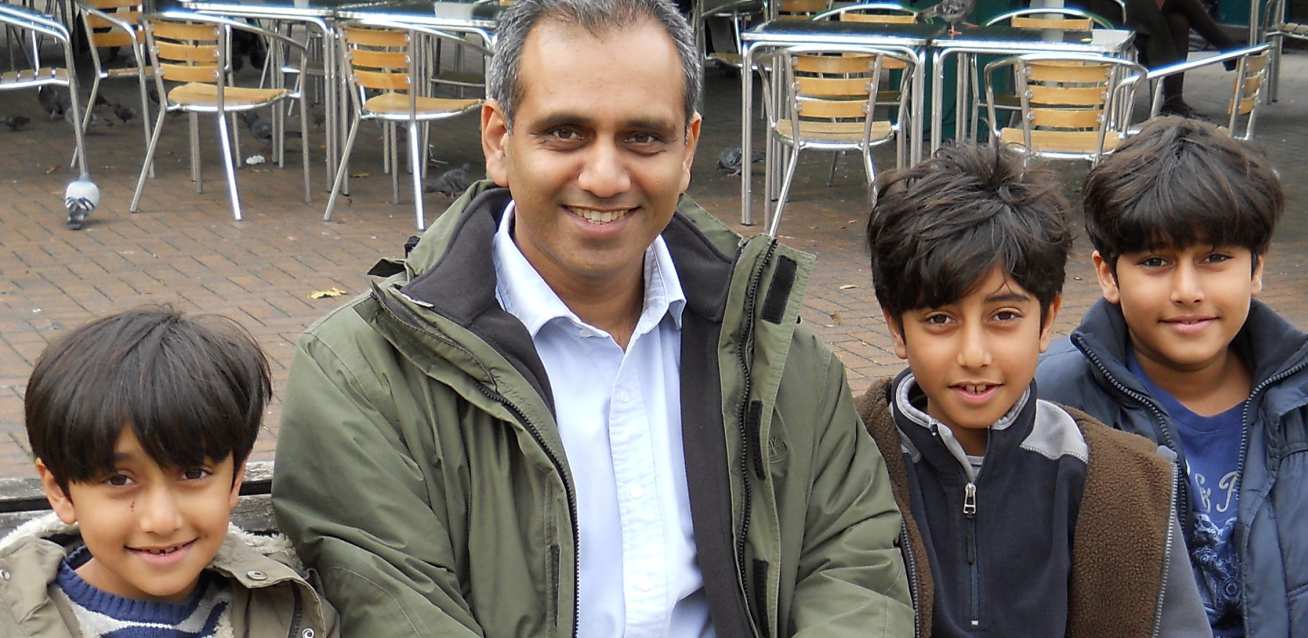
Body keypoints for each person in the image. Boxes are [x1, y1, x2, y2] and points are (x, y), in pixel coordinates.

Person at [271, 0, 915, 636]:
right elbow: (399, 614)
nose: (605, 177)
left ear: (687, 150)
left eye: (642, 137)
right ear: (499, 140)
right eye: (565, 132)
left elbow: (852, 564)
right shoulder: (364, 376)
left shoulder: (780, 360)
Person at [856, 143, 1210, 637]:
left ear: (1046, 320)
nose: (974, 353)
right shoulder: (848, 461)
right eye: (939, 319)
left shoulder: (1124, 483)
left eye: (1004, 316)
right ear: (897, 328)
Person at [1038, 117, 1300, 637]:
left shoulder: (1300, 397)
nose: (1187, 289)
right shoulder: (1051, 407)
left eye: (1216, 258)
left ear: (1256, 268)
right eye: (1156, 261)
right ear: (1108, 274)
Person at [0, 307, 337, 637]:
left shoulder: (294, 613)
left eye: (194, 473)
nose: (161, 522)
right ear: (59, 489)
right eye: (119, 479)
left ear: (235, 479)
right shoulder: (11, 619)